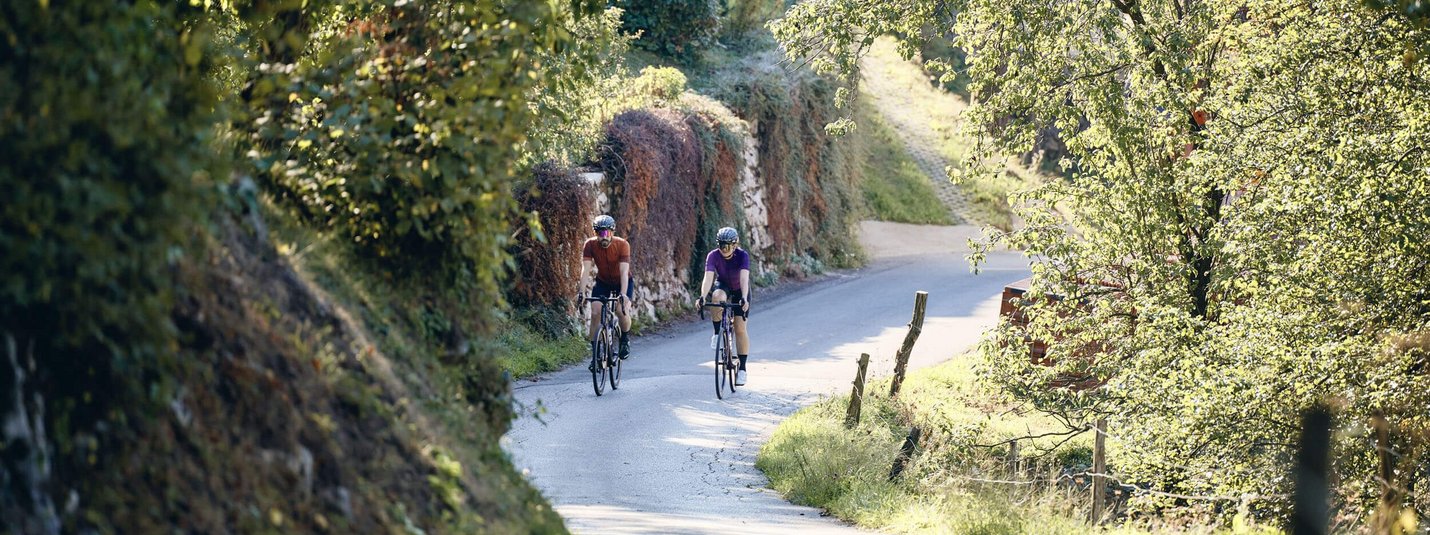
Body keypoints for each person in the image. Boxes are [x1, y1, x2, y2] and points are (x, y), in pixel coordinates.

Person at [696, 226, 751, 386]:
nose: (723, 249)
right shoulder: (713, 256)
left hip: (740, 289)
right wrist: (702, 296)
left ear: (734, 245)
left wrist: (744, 299)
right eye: (721, 245)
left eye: (727, 246)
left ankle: (742, 369)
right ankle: (716, 332)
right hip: (724, 285)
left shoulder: (742, 256)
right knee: (716, 296)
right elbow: (708, 278)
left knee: (740, 329)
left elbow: (744, 278)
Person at [578, 214, 634, 361]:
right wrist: (581, 292)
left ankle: (624, 339)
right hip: (603, 282)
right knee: (596, 312)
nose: (604, 237)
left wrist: (623, 294)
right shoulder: (589, 245)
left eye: (607, 233)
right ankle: (595, 353)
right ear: (595, 234)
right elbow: (585, 269)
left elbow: (623, 272)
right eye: (600, 233)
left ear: (612, 233)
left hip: (622, 281)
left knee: (621, 311)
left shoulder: (622, 245)